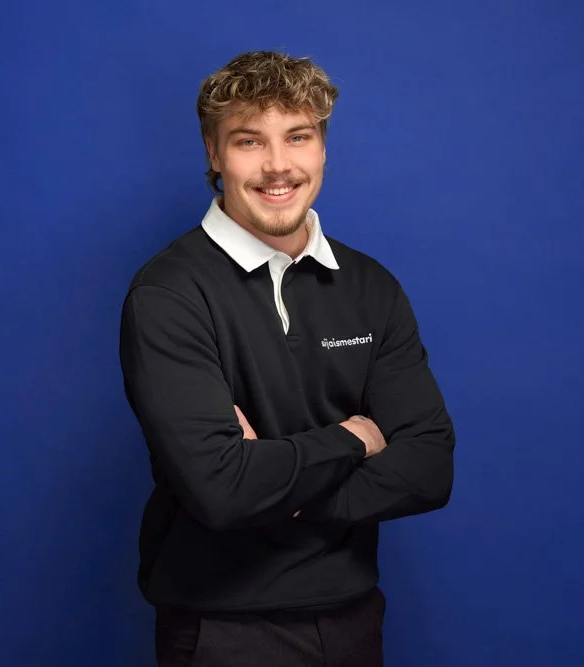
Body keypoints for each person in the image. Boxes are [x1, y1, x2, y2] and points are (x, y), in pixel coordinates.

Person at [119, 50, 456, 667]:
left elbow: (430, 467)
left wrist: (275, 485)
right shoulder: (169, 293)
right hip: (223, 631)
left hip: (354, 621)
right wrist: (355, 439)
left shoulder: (370, 286)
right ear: (214, 155)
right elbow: (220, 491)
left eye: (297, 137)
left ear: (322, 147)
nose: (278, 166)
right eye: (249, 141)